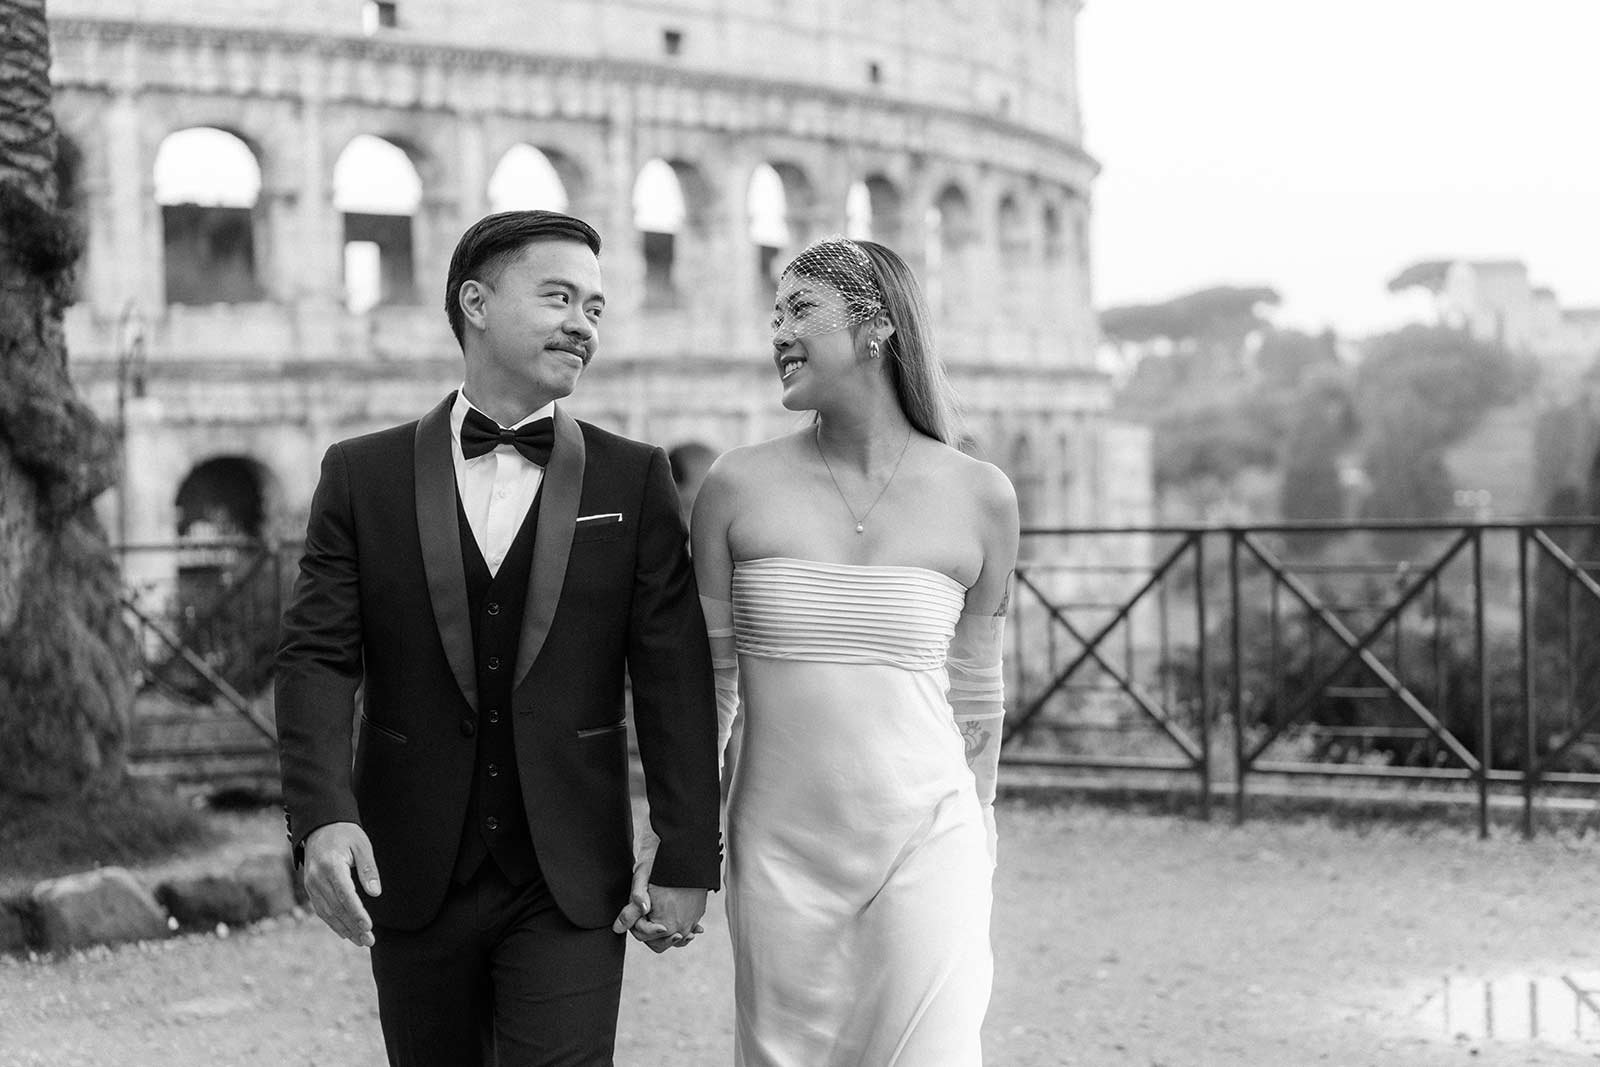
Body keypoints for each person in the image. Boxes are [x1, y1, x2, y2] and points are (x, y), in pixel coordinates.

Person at [275, 209, 722, 1067]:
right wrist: (323, 816)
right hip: (411, 866)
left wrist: (686, 854)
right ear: (475, 303)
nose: (582, 324)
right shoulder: (360, 474)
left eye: (594, 307)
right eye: (559, 297)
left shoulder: (635, 477)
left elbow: (673, 676)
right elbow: (317, 657)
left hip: (571, 874)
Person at [693, 236, 1018, 1064]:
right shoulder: (733, 486)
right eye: (774, 314)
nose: (777, 332)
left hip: (930, 830)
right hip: (778, 844)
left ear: (878, 326)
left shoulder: (982, 495)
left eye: (801, 308)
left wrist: (979, 817)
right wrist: (687, 834)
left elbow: (977, 680)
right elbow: (713, 684)